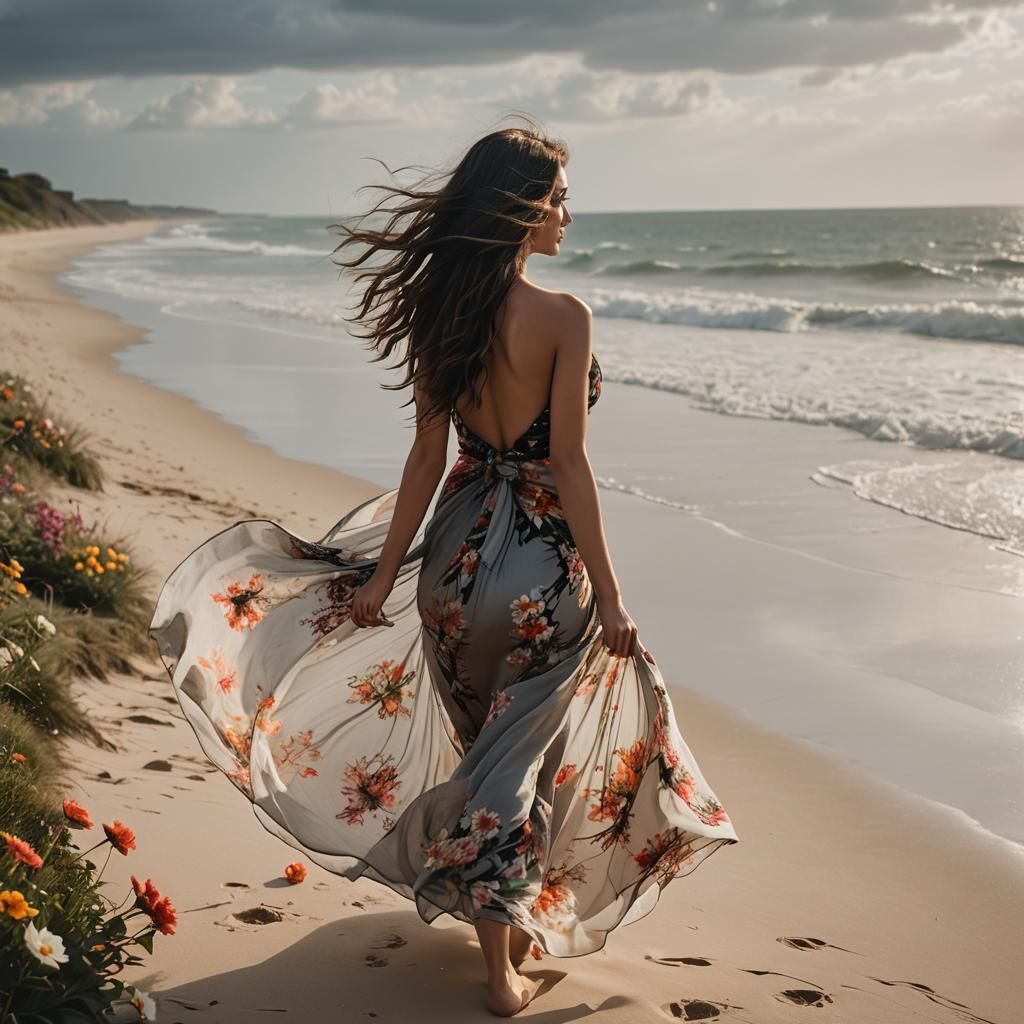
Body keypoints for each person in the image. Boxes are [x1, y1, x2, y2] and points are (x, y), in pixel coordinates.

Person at [149, 116, 739, 1018]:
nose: (568, 217)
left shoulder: (441, 315)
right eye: (560, 201)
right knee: (515, 767)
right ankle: (502, 973)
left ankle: (508, 929)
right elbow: (568, 464)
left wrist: (382, 577)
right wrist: (614, 597)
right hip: (542, 574)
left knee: (489, 759)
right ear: (523, 208)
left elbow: (427, 458)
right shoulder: (564, 318)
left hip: (453, 572)